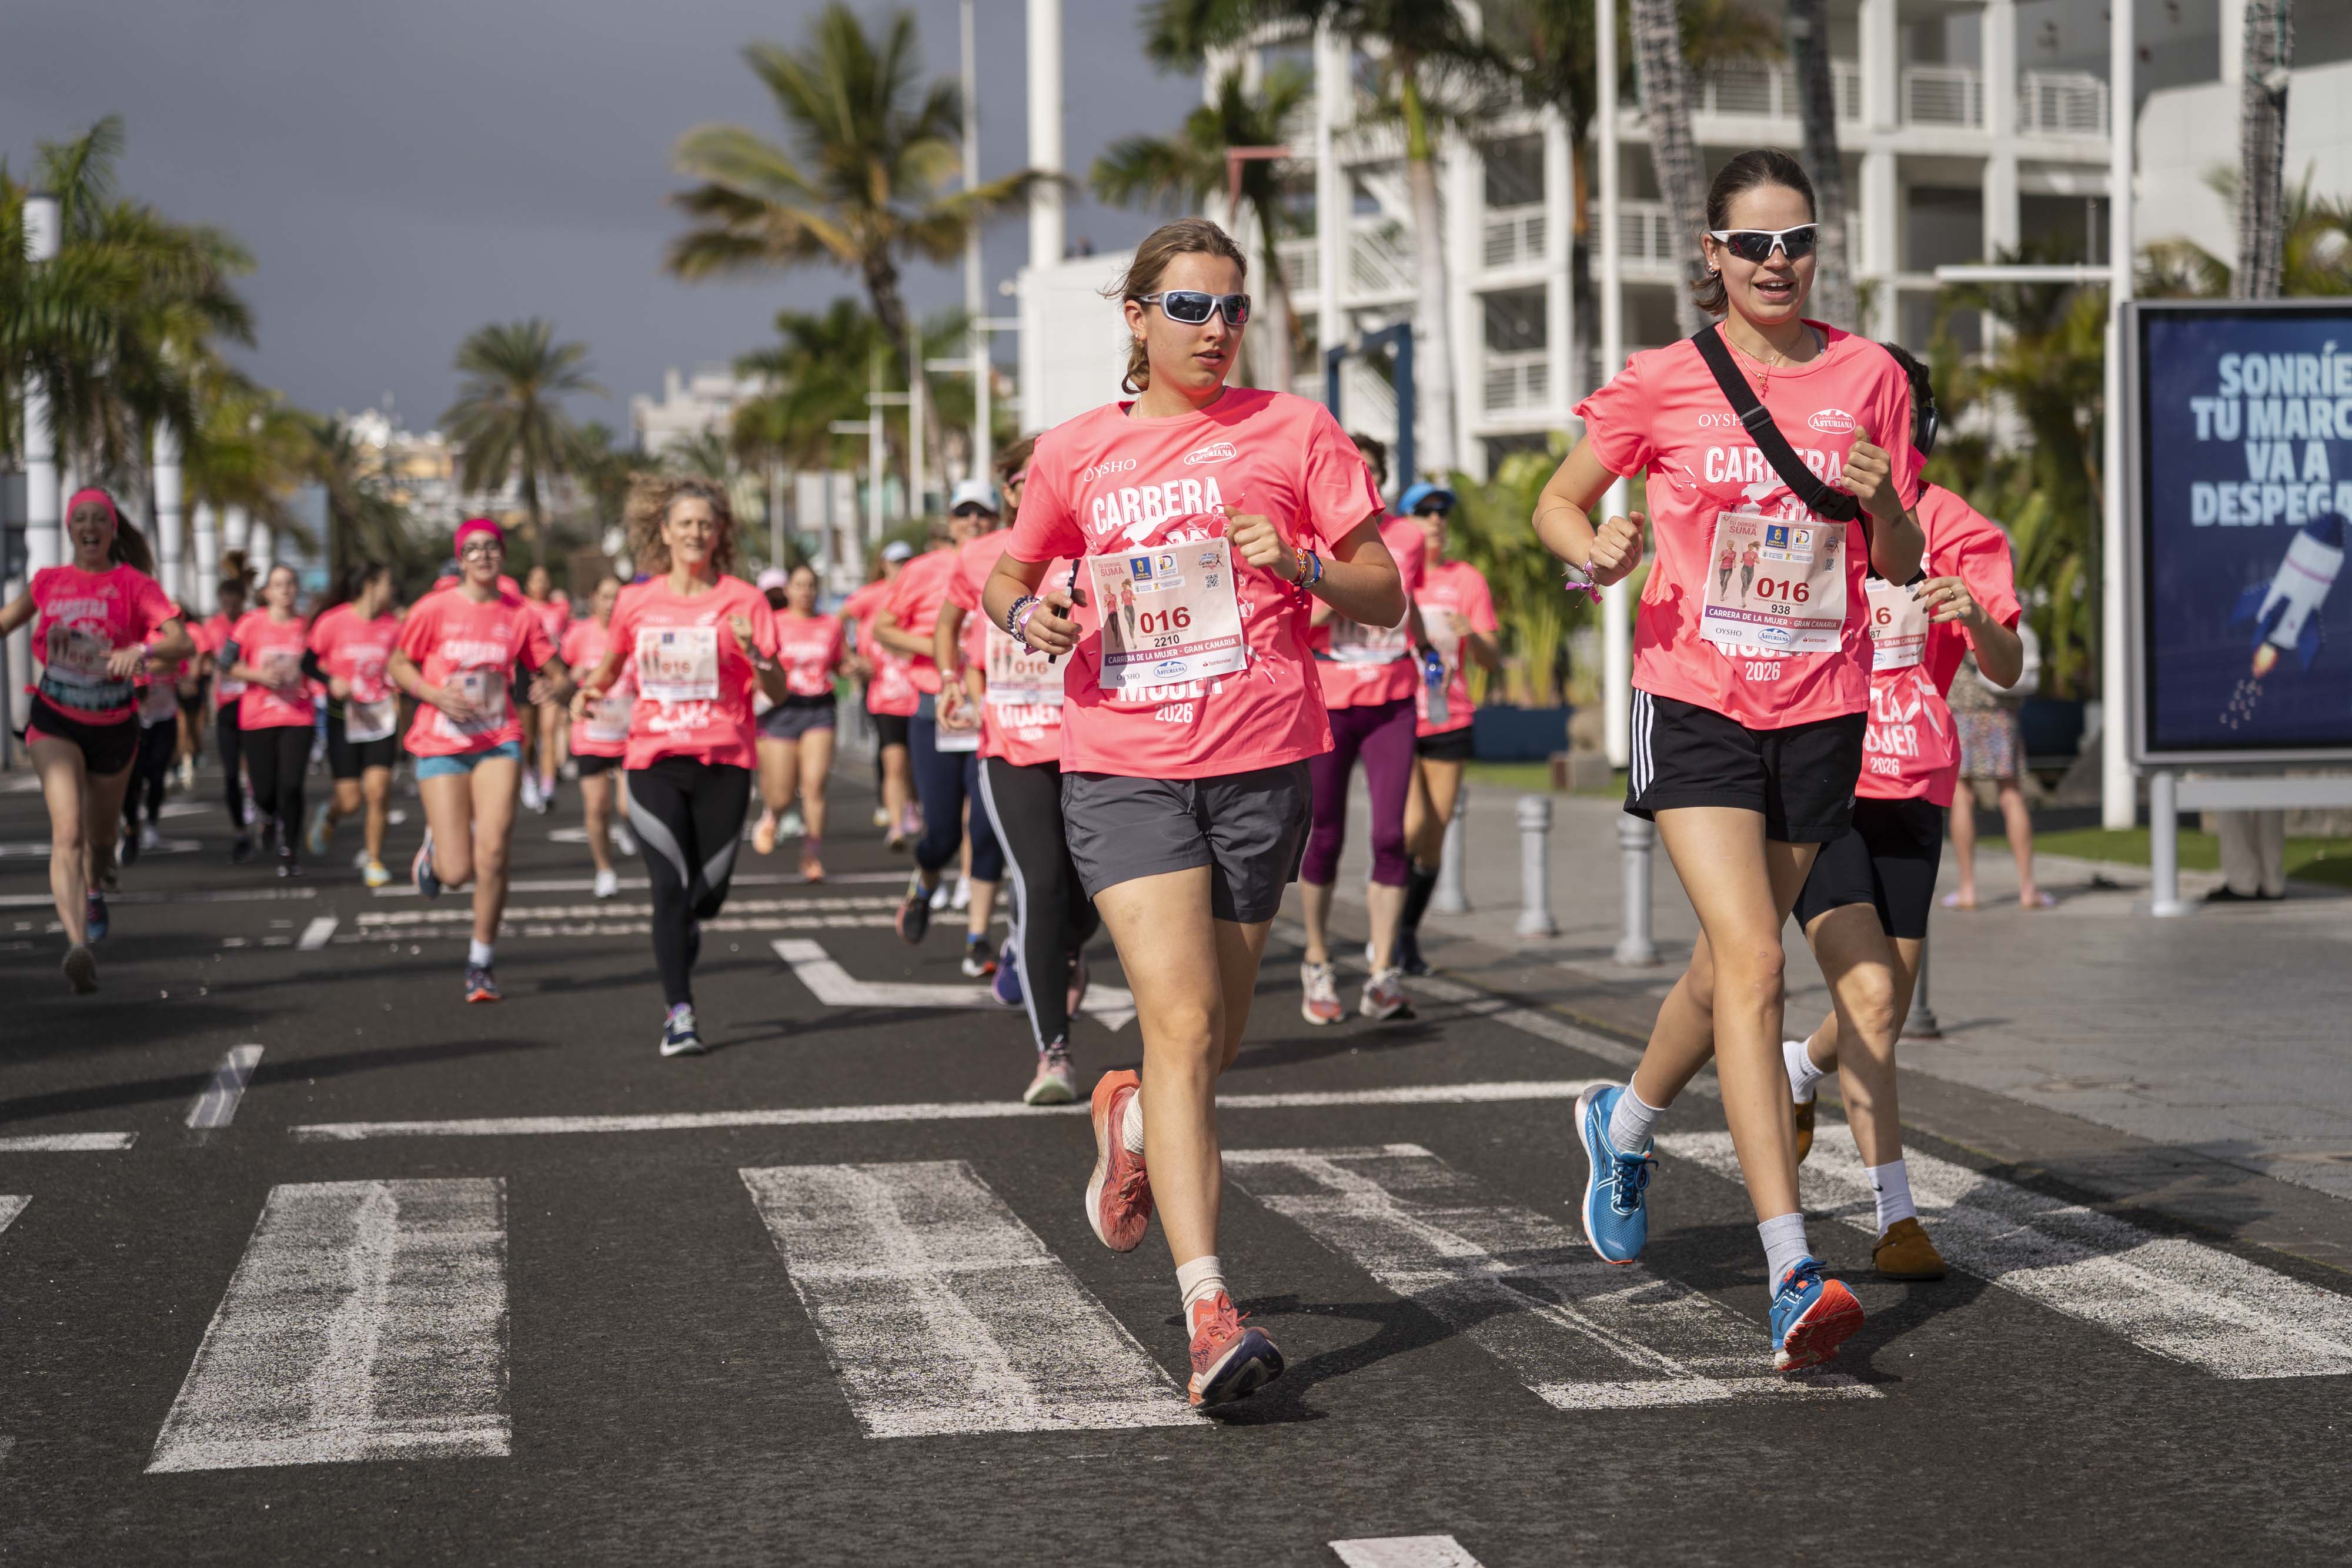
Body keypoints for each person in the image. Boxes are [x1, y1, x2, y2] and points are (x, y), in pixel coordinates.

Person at [981, 217, 1404, 1407]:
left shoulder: (1298, 430)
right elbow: (1009, 577)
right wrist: (1031, 617)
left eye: (1231, 308)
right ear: (1136, 317)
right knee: (1178, 1021)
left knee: (1209, 1039)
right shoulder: (1076, 451)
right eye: (1188, 308)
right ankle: (1209, 1308)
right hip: (1125, 764)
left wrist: (1305, 564)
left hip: (1262, 763)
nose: (1215, 328)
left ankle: (1128, 1121)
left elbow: (1384, 592)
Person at [1531, 149, 1925, 1373]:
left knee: (1722, 966)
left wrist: (1884, 507)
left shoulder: (1870, 376)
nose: (1775, 262)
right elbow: (1556, 503)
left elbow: (1901, 561)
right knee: (1755, 958)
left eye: (1795, 241)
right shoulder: (1661, 379)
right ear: (1711, 252)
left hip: (1819, 703)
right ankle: (1789, 1267)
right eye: (1751, 243)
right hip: (1694, 696)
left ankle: (1623, 1119)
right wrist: (1595, 549)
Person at [1779, 345, 2022, 1282]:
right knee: (1874, 1002)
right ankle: (1898, 1215)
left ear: (1919, 422)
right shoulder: (1804, 503)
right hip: (1823, 782)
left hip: (1915, 784)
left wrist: (1979, 617)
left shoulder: (1959, 525)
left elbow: (2007, 665)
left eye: (1899, 407)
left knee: (1881, 1005)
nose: (1881, 420)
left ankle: (1800, 1067)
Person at [573, 477, 787, 1056]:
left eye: (705, 524)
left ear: (719, 535)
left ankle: (689, 923)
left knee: (707, 898)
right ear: (664, 532)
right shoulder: (635, 601)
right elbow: (611, 665)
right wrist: (587, 691)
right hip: (654, 759)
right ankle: (680, 1013)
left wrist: (756, 653)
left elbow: (778, 690)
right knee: (668, 887)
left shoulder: (745, 601)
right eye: (685, 523)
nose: (695, 532)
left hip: (725, 760)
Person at [938, 470, 1097, 1104]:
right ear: (1009, 493)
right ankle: (1053, 1052)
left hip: (1093, 743)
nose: (1037, 486)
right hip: (1012, 746)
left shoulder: (1097, 544)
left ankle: (1063, 948)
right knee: (1042, 885)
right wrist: (952, 682)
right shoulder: (981, 557)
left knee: (1088, 898)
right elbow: (948, 625)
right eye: (1023, 479)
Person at [0, 487, 192, 992]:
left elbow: (183, 642)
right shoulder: (48, 582)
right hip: (55, 719)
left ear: (111, 530)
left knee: (102, 841)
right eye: (80, 519)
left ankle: (94, 884)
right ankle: (76, 946)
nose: (90, 527)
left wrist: (142, 651)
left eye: (99, 519)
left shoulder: (134, 584)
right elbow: (4, 622)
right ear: (70, 530)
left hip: (113, 724)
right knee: (67, 831)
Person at [389, 519, 570, 1002]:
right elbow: (398, 663)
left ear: (502, 555)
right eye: (473, 548)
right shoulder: (434, 609)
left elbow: (558, 672)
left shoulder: (519, 614)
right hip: (441, 741)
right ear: (461, 558)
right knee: (456, 874)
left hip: (498, 739)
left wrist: (556, 687)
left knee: (493, 853)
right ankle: (436, 851)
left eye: (491, 547)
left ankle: (481, 961)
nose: (483, 555)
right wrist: (433, 694)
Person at [1292, 433, 1428, 1025]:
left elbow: (1404, 602)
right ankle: (1317, 959)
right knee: (1324, 834)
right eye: (1352, 468)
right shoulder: (1309, 540)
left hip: (1392, 698)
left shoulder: (1408, 537)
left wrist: (1428, 650)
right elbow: (1301, 620)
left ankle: (1382, 972)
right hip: (1330, 698)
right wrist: (1341, 589)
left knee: (1391, 836)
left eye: (1369, 470)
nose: (1359, 478)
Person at [882, 514, 1004, 977]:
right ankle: (926, 881)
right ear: (950, 524)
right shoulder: (922, 569)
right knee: (944, 834)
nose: (974, 521)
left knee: (987, 828)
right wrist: (940, 645)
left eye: (982, 513)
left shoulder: (1012, 557)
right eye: (964, 513)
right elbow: (882, 628)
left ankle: (978, 937)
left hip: (994, 710)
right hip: (938, 711)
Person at [1394, 482, 1499, 976]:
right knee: (1409, 827)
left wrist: (1472, 635)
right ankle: (1387, 932)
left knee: (1433, 836)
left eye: (1443, 512)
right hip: (1397, 715)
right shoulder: (1393, 575)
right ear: (1404, 521)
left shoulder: (1467, 580)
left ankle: (1405, 935)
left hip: (1448, 717)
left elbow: (1492, 659)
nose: (1436, 520)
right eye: (1424, 511)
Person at [303, 560, 403, 886]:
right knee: (351, 801)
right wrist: (330, 681)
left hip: (381, 719)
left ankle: (374, 860)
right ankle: (331, 814)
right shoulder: (333, 622)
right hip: (342, 718)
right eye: (387, 583)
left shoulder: (393, 627)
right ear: (371, 585)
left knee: (379, 791)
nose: (392, 590)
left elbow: (404, 665)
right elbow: (308, 663)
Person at [223, 563, 319, 878]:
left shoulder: (307, 627)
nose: (285, 590)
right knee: (265, 789)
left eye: (290, 584)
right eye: (278, 585)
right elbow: (226, 663)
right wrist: (259, 675)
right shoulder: (250, 624)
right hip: (258, 716)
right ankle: (266, 815)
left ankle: (290, 849)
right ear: (267, 592)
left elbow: (319, 664)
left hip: (298, 715)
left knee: (291, 785)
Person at [1945, 616, 2047, 908]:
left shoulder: (1953, 611)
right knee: (2011, 794)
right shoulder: (1996, 611)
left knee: (1962, 796)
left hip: (1961, 711)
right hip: (2000, 712)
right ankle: (2028, 889)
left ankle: (1967, 889)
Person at [750, 563, 844, 881]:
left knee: (815, 785)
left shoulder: (831, 624)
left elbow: (840, 663)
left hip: (819, 708)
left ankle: (811, 856)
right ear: (788, 590)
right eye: (799, 585)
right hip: (782, 708)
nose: (805, 592)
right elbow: (758, 663)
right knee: (782, 793)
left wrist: (856, 667)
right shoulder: (774, 623)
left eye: (811, 586)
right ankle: (773, 815)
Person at [841, 541, 920, 847]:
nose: (902, 568)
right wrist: (852, 660)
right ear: (885, 564)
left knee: (914, 762)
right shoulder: (871, 595)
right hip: (884, 693)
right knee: (894, 761)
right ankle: (896, 826)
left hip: (919, 693)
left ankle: (911, 805)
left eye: (907, 561)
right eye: (897, 562)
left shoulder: (920, 593)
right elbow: (837, 621)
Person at [562, 575, 636, 900]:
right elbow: (563, 678)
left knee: (629, 807)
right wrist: (572, 678)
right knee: (597, 808)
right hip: (591, 735)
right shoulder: (579, 634)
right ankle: (605, 870)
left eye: (617, 597)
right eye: (605, 597)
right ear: (593, 599)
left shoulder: (634, 633)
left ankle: (628, 827)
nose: (611, 604)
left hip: (629, 735)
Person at [196, 565, 258, 862]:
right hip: (226, 706)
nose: (231, 609)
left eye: (236, 603)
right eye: (226, 603)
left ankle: (259, 805)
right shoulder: (213, 626)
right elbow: (205, 658)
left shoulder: (252, 623)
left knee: (256, 769)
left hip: (253, 705)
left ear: (243, 601)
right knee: (230, 773)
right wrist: (198, 673)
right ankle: (240, 831)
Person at [120, 625, 185, 865]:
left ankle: (151, 825)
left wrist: (143, 665)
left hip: (164, 717)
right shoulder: (124, 635)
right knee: (132, 779)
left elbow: (177, 664)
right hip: (134, 719)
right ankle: (130, 826)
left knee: (157, 776)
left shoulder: (161, 639)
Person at [520, 564, 569, 815]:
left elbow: (567, 638)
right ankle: (529, 778)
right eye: (536, 580)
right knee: (529, 738)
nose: (541, 584)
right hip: (526, 675)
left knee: (549, 732)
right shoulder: (520, 608)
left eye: (545, 579)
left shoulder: (559, 609)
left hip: (551, 674)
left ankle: (548, 788)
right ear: (528, 584)